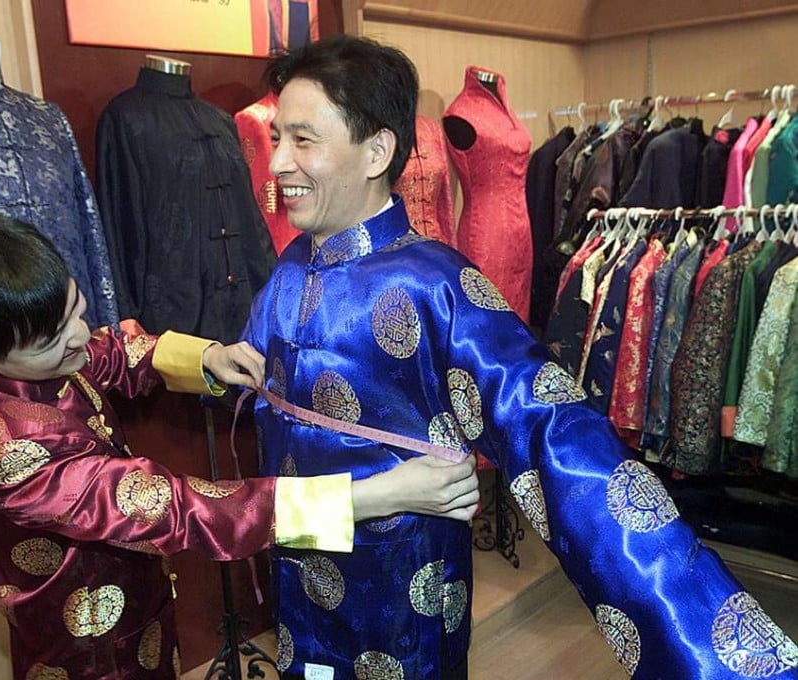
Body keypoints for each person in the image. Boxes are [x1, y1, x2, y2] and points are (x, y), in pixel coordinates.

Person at [243, 35, 797, 680]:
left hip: (397, 589)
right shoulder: (290, 265)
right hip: (297, 550)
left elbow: (555, 436)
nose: (278, 160)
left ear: (377, 151)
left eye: (302, 140)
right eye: (277, 137)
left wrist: (720, 651)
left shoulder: (436, 283)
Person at [0, 211, 480, 680]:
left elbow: (108, 352)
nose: (80, 335)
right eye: (54, 339)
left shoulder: (15, 354)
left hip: (143, 606)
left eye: (75, 310)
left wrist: (206, 356)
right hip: (87, 648)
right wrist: (377, 496)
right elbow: (183, 510)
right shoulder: (10, 450)